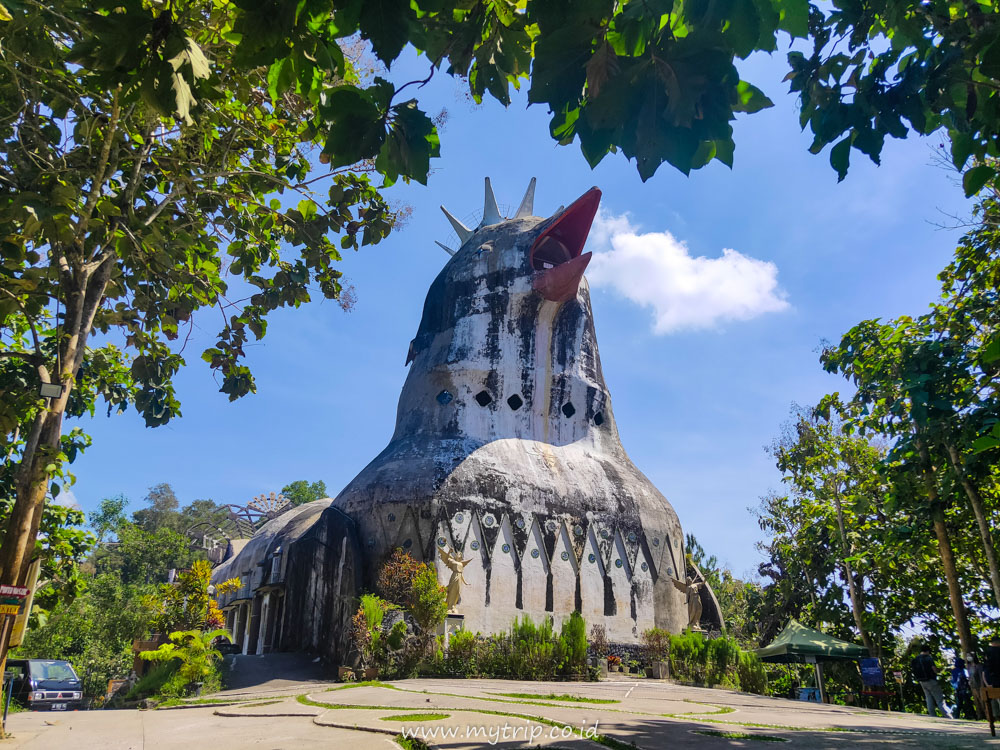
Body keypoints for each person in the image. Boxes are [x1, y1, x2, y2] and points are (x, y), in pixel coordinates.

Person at [911, 644, 952, 718]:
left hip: (921, 681)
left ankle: (932, 715)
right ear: (928, 651)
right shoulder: (928, 658)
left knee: (928, 698)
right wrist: (941, 669)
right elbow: (934, 670)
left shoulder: (915, 659)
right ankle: (948, 716)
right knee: (940, 700)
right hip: (931, 680)